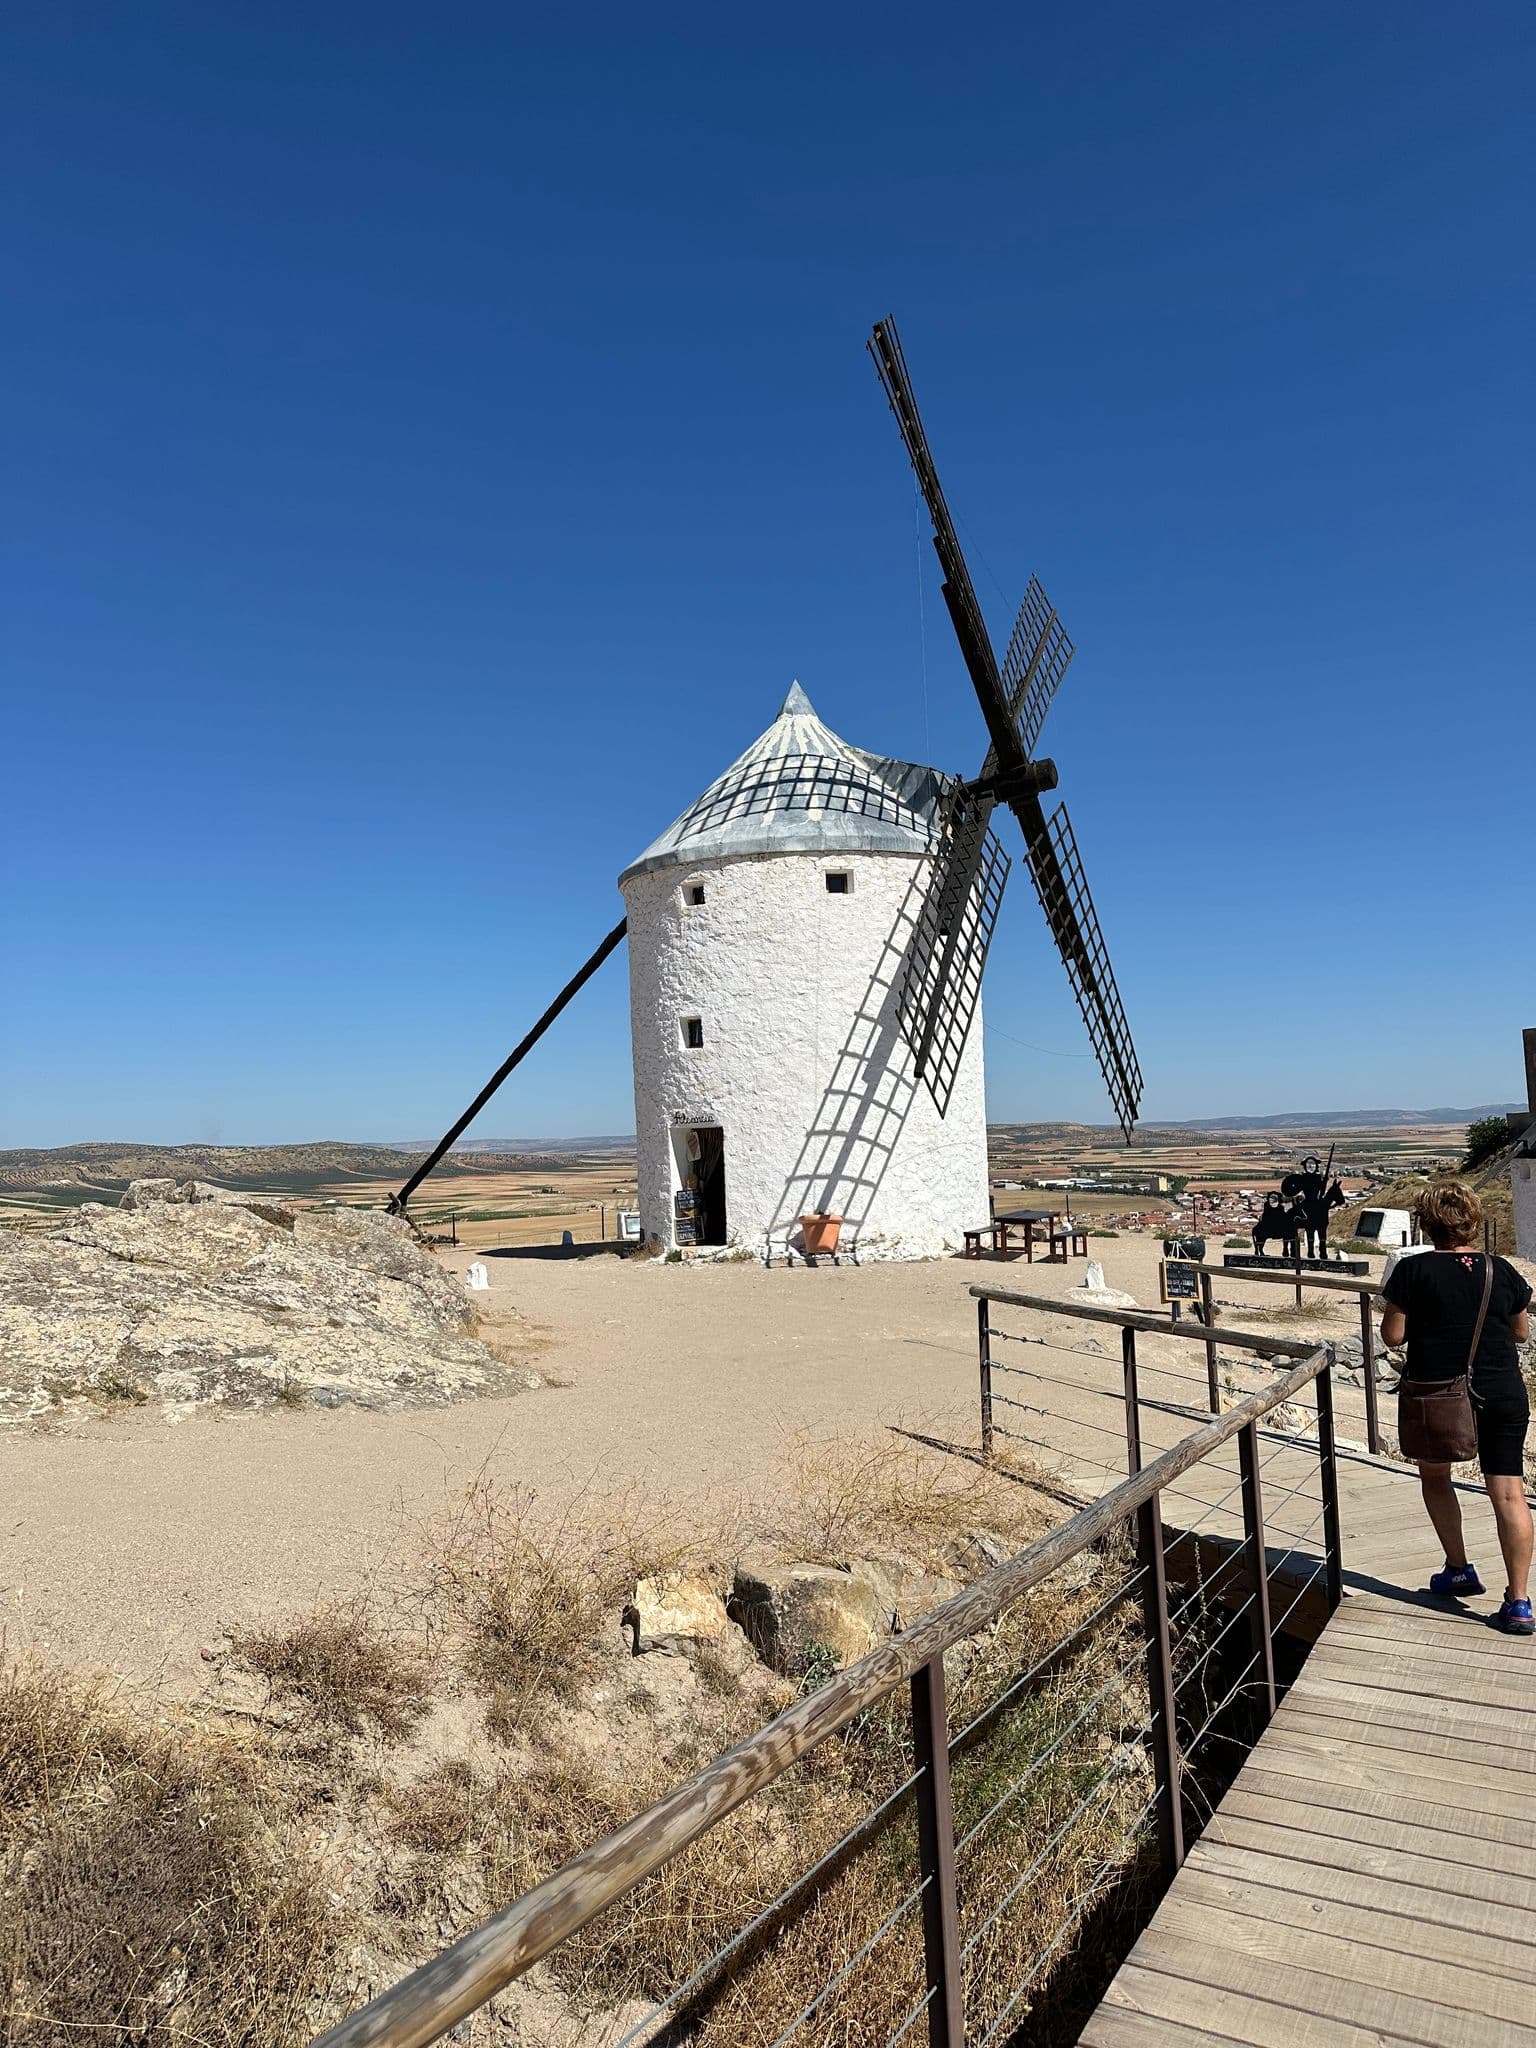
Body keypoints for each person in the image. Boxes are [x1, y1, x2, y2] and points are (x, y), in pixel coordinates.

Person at [1380, 1182, 1534, 1634]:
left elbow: (1393, 1336)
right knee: (1509, 1492)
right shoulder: (1500, 1269)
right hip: (1502, 1390)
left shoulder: (1414, 1271)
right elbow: (1521, 1333)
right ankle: (1520, 1601)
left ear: (1426, 1224)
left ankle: (1459, 1568)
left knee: (1436, 1476)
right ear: (1472, 1220)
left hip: (1439, 1393)